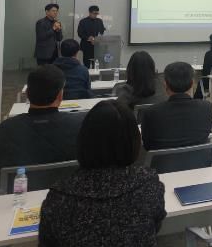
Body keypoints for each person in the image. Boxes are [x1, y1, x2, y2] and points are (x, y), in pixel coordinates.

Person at [38, 100, 166, 246]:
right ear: (134, 141)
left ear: (83, 139)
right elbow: (155, 226)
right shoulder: (149, 184)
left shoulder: (58, 198)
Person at [0, 66, 85, 185]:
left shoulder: (5, 129)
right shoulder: (79, 126)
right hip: (67, 191)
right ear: (60, 95)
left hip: (19, 194)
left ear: (27, 94)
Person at [141, 62, 212, 151]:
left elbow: (147, 145)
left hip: (163, 160)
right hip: (199, 159)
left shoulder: (151, 113)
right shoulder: (206, 108)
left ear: (165, 85)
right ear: (192, 84)